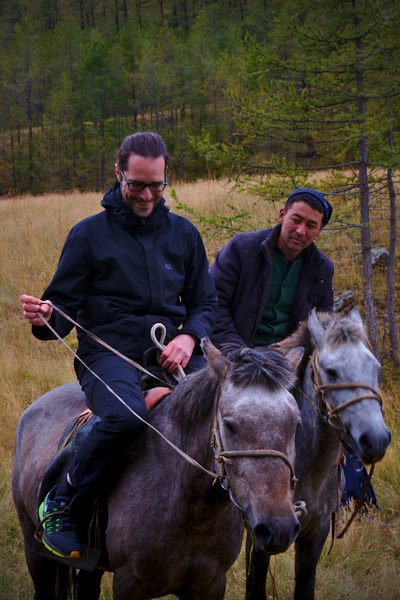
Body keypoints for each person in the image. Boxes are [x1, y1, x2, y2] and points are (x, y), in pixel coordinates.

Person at [20, 132, 217, 559]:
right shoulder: (88, 235)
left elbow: (205, 304)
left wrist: (188, 336)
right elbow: (61, 308)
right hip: (106, 354)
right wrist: (46, 315)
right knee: (127, 417)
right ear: (118, 173)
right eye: (137, 184)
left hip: (171, 352)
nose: (147, 195)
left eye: (156, 185)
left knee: (230, 406)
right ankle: (62, 500)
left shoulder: (184, 234)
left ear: (166, 177)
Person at [210, 188, 334, 349]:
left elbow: (323, 323)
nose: (300, 231)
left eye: (311, 225)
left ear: (319, 230)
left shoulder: (322, 269)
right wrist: (238, 351)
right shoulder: (242, 249)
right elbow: (213, 304)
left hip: (288, 355)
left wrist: (289, 347)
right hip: (233, 351)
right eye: (296, 220)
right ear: (282, 215)